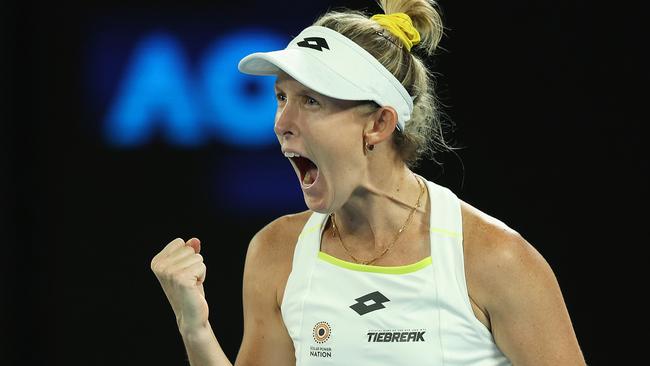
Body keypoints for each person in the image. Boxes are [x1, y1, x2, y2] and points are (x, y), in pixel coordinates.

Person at [150, 0, 586, 365]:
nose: (282, 122)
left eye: (311, 101)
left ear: (378, 123)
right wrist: (196, 328)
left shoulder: (496, 259)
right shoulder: (276, 253)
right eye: (281, 97)